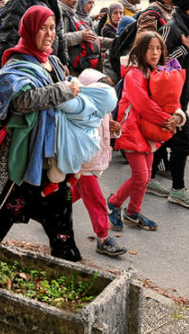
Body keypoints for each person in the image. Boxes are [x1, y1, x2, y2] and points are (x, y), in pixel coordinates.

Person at [0, 6, 83, 261]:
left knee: (58, 202)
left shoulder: (50, 60)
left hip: (47, 155)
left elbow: (63, 87)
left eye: (52, 28)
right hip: (25, 154)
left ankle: (67, 259)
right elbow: (20, 101)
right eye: (43, 28)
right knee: (6, 210)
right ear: (29, 30)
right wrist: (63, 91)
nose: (49, 34)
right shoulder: (18, 63)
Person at [107, 32, 178, 232]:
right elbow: (144, 105)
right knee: (140, 177)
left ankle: (133, 212)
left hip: (149, 133)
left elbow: (172, 100)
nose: (155, 52)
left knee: (145, 178)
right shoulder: (133, 75)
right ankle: (114, 202)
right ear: (139, 50)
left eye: (158, 48)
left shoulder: (159, 73)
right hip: (130, 130)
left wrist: (176, 118)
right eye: (149, 48)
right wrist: (166, 120)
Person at [149, 0, 189, 208]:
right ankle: (178, 190)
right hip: (167, 97)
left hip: (179, 95)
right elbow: (156, 63)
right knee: (183, 142)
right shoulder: (172, 28)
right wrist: (185, 50)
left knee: (163, 139)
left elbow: (186, 62)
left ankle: (149, 178)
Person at [73, 69, 127, 257]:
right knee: (96, 201)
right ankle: (103, 238)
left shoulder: (104, 110)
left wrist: (116, 129)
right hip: (85, 166)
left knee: (75, 192)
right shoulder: (80, 113)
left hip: (97, 163)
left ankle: (49, 212)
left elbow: (107, 132)